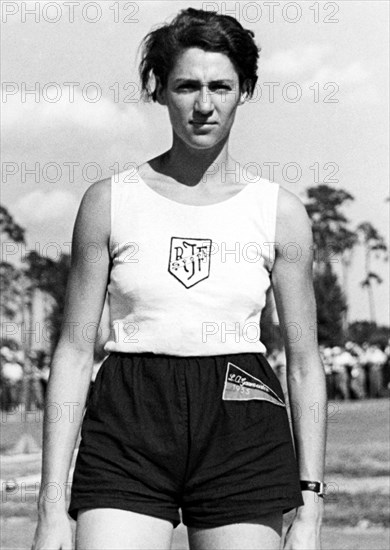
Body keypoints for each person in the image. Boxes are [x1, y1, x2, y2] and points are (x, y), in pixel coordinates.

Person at [32, 8, 327, 550]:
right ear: (160, 91)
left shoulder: (279, 213)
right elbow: (74, 351)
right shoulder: (108, 201)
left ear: (245, 90)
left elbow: (305, 360)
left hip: (240, 414)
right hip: (129, 417)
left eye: (221, 86)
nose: (204, 104)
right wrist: (52, 508)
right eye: (187, 86)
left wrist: (309, 509)